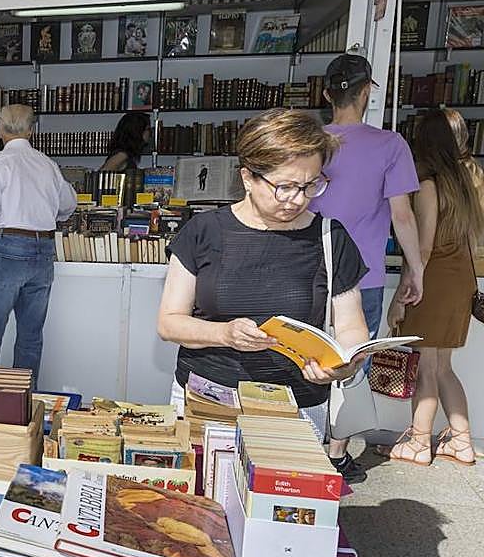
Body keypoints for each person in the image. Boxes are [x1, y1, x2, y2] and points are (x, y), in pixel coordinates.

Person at [157, 108, 372, 483]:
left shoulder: (330, 238)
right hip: (209, 402)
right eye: (284, 186)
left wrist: (342, 365)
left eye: (310, 186)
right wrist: (224, 334)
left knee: (282, 515)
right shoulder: (203, 231)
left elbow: (353, 328)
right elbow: (169, 322)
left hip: (297, 407)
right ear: (248, 177)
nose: (296, 199)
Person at [308, 53, 424, 464]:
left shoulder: (311, 143)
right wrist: (416, 269)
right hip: (364, 277)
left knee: (301, 357)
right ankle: (336, 454)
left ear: (326, 94)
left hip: (307, 271)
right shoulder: (390, 145)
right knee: (349, 363)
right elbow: (402, 214)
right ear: (367, 92)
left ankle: (299, 444)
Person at [386, 109, 484, 466]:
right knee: (443, 366)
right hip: (460, 280)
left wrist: (403, 294)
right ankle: (461, 441)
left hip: (433, 279)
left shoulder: (429, 183)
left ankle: (418, 442)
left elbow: (423, 247)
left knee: (427, 366)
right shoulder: (469, 179)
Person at [0, 104, 77, 382]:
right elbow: (68, 205)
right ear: (32, 130)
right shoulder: (47, 164)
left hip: (7, 247)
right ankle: (23, 401)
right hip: (43, 248)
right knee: (31, 336)